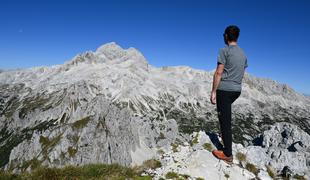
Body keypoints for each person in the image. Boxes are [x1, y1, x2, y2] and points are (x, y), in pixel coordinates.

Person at [210, 25, 248, 164]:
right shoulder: (243, 54)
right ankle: (225, 138)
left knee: (225, 121)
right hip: (236, 90)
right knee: (226, 115)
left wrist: (214, 91)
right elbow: (242, 73)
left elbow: (219, 72)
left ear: (226, 36)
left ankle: (227, 153)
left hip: (224, 90)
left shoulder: (224, 50)